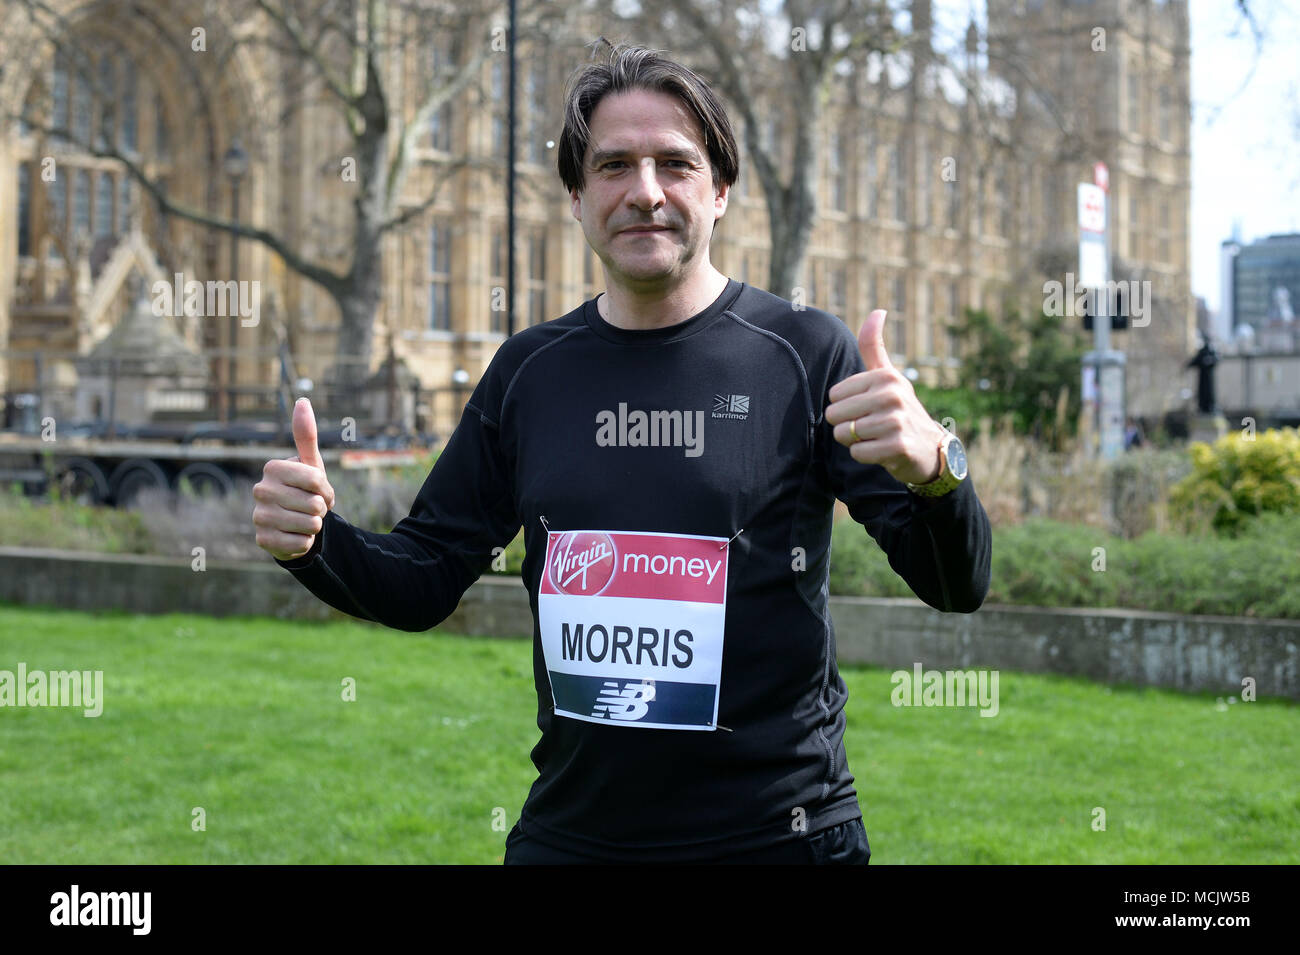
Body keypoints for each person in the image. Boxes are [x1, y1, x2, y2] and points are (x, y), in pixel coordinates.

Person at [252, 42, 991, 865]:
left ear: (720, 191)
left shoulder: (803, 354)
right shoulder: (530, 372)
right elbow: (426, 573)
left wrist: (937, 470)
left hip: (780, 839)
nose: (644, 192)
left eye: (674, 164)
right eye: (613, 166)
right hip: (575, 841)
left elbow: (955, 585)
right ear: (576, 196)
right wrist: (315, 541)